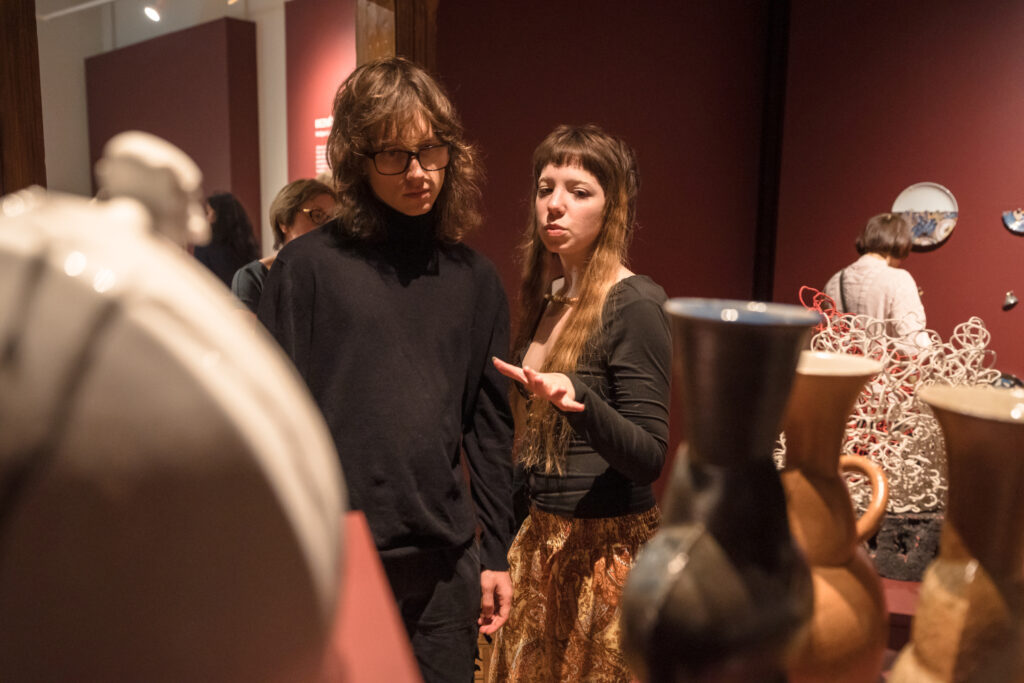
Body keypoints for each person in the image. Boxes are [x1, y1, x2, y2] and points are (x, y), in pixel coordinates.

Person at [257, 57, 515, 682]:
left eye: (431, 151)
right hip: (340, 556)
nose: (419, 173)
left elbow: (488, 427)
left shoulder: (474, 279)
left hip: (445, 560)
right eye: (395, 155)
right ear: (358, 160)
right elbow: (271, 419)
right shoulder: (306, 269)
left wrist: (496, 552)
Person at [487, 124, 672, 682]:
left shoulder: (635, 302)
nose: (555, 204)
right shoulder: (550, 299)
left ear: (613, 207)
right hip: (541, 544)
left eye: (579, 191)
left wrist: (580, 400)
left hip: (606, 556)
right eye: (546, 188)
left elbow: (649, 456)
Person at [824, 212, 930, 348]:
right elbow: (914, 345)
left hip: (839, 361)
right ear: (901, 244)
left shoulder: (834, 281)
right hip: (880, 361)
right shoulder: (899, 279)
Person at [230, 178, 337, 314]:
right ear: (284, 222)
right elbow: (246, 327)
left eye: (332, 219)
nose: (327, 227)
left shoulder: (338, 275)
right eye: (317, 216)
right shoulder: (254, 277)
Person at [193, 192, 259, 287]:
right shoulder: (246, 245)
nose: (206, 218)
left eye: (208, 213)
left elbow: (200, 283)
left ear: (218, 216)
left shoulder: (204, 247)